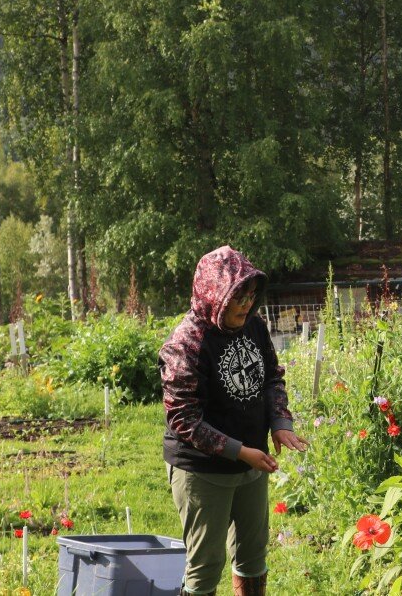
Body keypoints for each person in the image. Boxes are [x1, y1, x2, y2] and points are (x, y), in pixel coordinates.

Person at [160, 246, 309, 596]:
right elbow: (184, 419)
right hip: (202, 470)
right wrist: (240, 451)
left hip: (251, 462)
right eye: (237, 298)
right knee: (205, 565)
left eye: (250, 296)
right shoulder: (186, 343)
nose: (245, 305)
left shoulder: (254, 327)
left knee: (252, 556)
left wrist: (280, 422)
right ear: (214, 294)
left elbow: (272, 376)